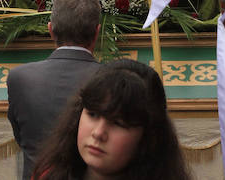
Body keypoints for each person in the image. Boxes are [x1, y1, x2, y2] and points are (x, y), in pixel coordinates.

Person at [31, 59, 191, 180]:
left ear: (149, 136)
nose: (98, 133)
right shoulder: (47, 175)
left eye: (118, 123)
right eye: (93, 114)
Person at [7, 0, 101, 180]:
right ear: (97, 32)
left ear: (50, 30)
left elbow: (21, 137)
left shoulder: (19, 78)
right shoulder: (111, 79)